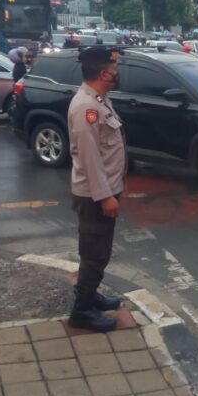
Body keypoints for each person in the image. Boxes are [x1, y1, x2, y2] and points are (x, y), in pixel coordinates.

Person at [67, 46, 127, 332]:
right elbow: (90, 159)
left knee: (99, 251)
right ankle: (81, 312)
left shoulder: (100, 100)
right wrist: (105, 197)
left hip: (104, 191)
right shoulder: (86, 108)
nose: (117, 75)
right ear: (104, 73)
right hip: (94, 196)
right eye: (114, 71)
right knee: (94, 254)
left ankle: (90, 297)